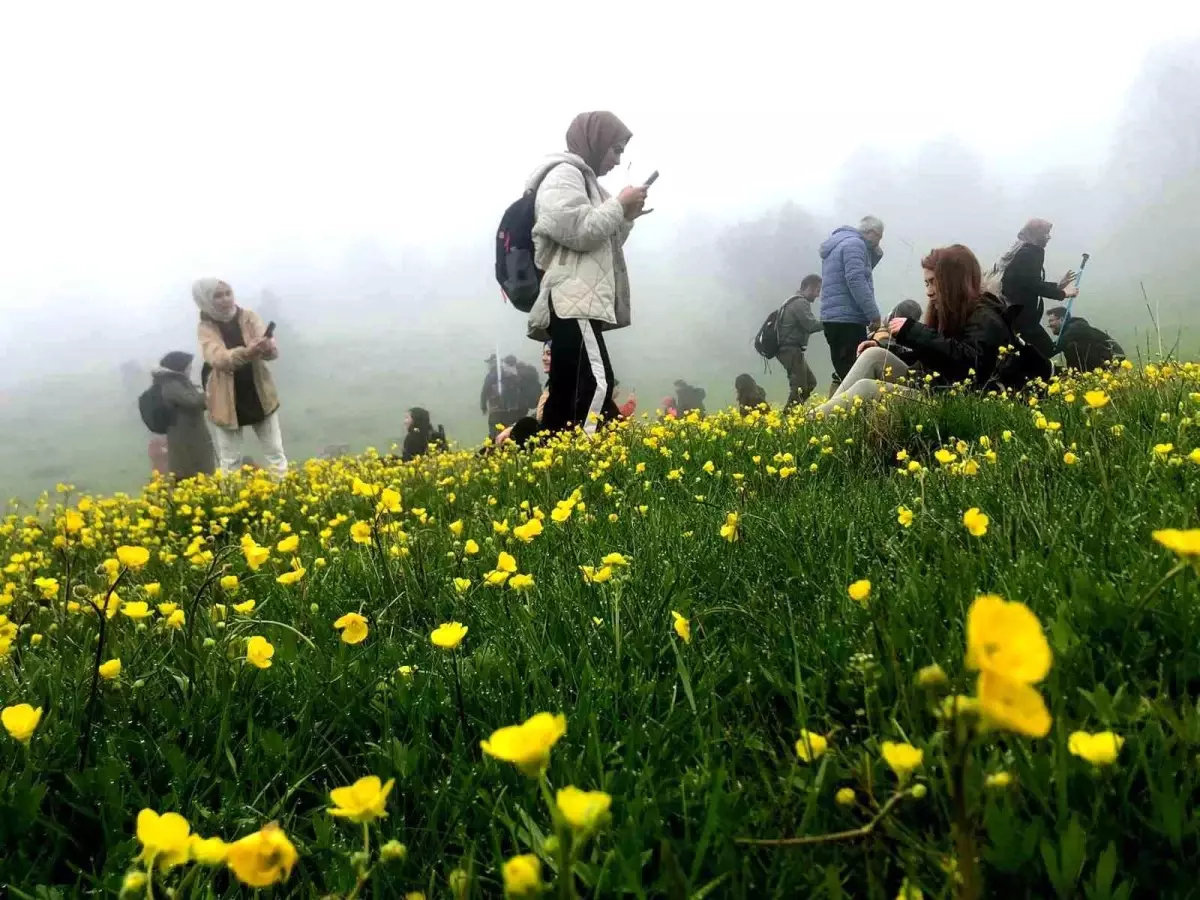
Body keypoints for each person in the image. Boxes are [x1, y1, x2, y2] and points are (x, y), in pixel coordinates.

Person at [526, 111, 650, 436]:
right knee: (597, 381)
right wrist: (618, 205)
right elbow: (580, 230)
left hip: (578, 298)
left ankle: (552, 461)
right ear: (596, 142)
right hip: (572, 298)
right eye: (616, 149)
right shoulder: (562, 175)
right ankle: (584, 459)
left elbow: (606, 242)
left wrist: (626, 215)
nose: (617, 159)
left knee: (565, 391)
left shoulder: (585, 182)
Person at [812, 244, 1017, 417]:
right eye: (926, 283)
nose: (928, 291)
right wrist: (887, 348)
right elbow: (928, 360)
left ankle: (808, 426)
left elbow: (971, 366)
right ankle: (814, 426)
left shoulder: (986, 316)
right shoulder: (953, 313)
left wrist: (914, 332)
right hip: (936, 388)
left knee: (867, 389)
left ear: (953, 282)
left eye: (933, 282)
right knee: (875, 354)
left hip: (957, 402)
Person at [194, 278, 288, 478]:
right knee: (230, 460)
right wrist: (248, 351)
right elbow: (218, 358)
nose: (225, 299)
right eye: (217, 296)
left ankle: (284, 497)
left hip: (258, 390)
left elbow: (271, 353)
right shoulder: (206, 328)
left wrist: (268, 348)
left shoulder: (249, 317)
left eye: (228, 293)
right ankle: (232, 503)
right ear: (205, 300)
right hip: (225, 398)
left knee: (275, 452)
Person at [989, 218, 1078, 359]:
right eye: (1045, 233)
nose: (1048, 237)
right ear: (1035, 234)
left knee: (1030, 353)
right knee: (1046, 350)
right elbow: (1032, 284)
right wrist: (1062, 293)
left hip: (1014, 314)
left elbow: (1026, 282)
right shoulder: (1031, 252)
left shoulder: (1020, 250)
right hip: (1023, 318)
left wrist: (1057, 286)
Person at [819, 216, 885, 388]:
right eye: (879, 236)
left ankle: (840, 412)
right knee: (855, 376)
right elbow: (856, 280)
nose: (879, 241)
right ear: (871, 232)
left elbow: (863, 270)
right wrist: (874, 315)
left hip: (833, 318)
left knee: (845, 374)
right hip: (848, 319)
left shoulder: (839, 244)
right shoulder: (855, 244)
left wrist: (876, 252)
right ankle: (849, 413)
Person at [151, 351, 216, 479]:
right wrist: (209, 394)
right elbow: (193, 401)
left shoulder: (179, 382)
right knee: (189, 472)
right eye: (188, 366)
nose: (190, 369)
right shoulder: (171, 385)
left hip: (192, 434)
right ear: (179, 367)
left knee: (199, 470)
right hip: (185, 437)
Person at [774, 274, 824, 409]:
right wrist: (832, 322)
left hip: (791, 349)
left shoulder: (793, 301)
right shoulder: (800, 302)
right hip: (789, 349)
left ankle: (794, 414)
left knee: (810, 382)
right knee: (799, 386)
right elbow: (811, 325)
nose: (817, 295)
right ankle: (787, 420)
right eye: (817, 290)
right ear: (807, 287)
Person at [1046, 306, 1125, 370]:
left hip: (1108, 363)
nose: (1049, 325)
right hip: (1098, 367)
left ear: (1061, 319)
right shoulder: (1073, 330)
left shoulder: (1075, 329)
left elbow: (1052, 349)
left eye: (1051, 321)